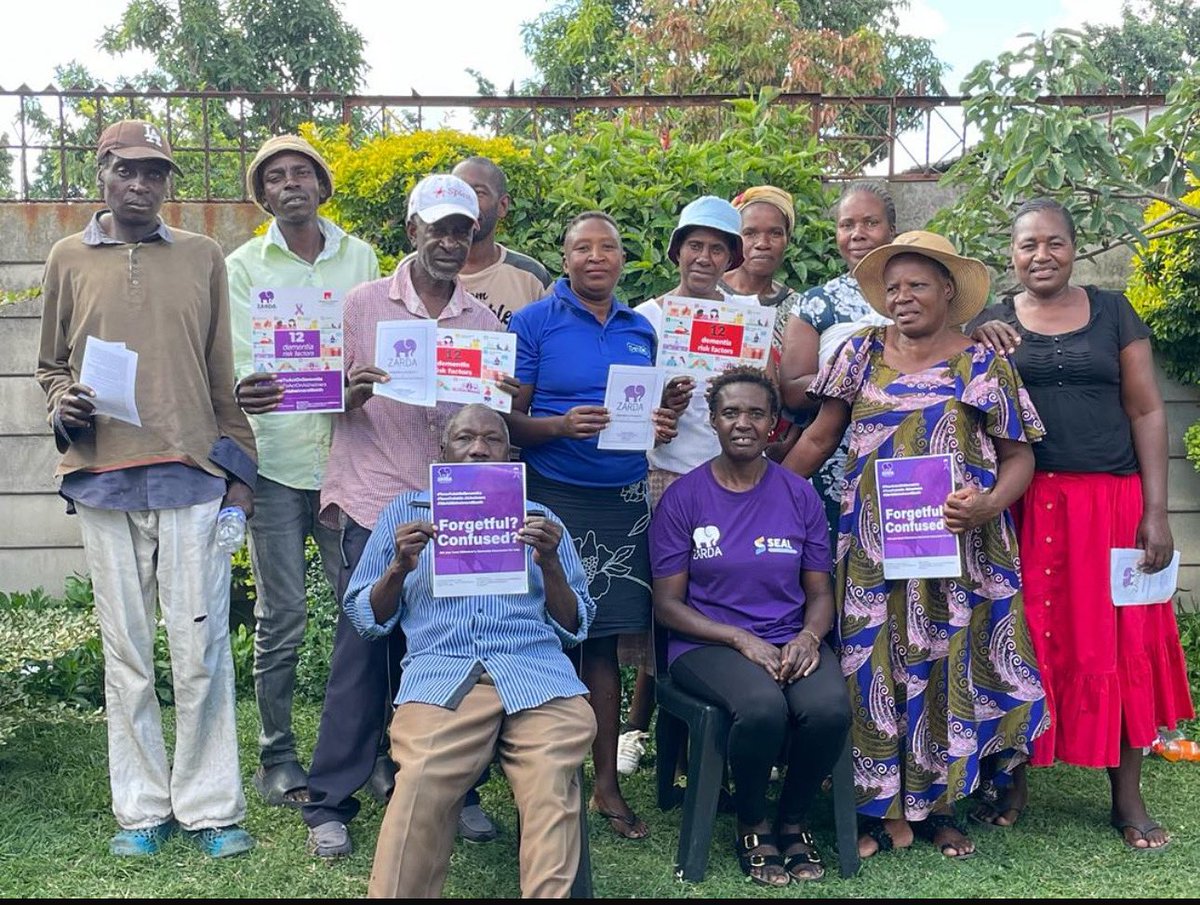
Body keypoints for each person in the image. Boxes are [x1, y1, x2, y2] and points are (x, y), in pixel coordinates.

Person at [783, 230, 1049, 860]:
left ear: (948, 291)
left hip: (960, 548)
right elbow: (819, 438)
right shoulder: (859, 351)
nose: (902, 297)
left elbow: (1020, 456)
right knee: (872, 667)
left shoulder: (984, 362)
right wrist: (760, 498)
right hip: (872, 552)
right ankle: (874, 808)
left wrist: (989, 502)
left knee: (947, 667)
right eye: (893, 287)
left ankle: (940, 806)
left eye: (917, 285)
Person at [35, 120, 258, 858]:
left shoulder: (202, 255)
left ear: (167, 182)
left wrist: (241, 473)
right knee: (125, 652)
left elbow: (221, 371)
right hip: (101, 476)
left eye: (155, 173)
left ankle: (211, 807)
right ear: (100, 172)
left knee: (201, 645)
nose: (140, 185)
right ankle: (140, 810)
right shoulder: (67, 257)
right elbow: (50, 365)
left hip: (191, 473)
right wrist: (62, 401)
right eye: (127, 170)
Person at [967, 198, 1194, 850]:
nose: (1041, 255)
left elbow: (1147, 410)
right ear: (1011, 254)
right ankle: (1013, 782)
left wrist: (1157, 511)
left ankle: (1127, 797)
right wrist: (978, 332)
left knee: (1119, 641)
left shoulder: (1114, 312)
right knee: (1020, 638)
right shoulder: (993, 323)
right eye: (1028, 245)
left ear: (1075, 248)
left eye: (1054, 243)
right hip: (1024, 503)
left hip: (1110, 505)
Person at [302, 173, 514, 858]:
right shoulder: (363, 305)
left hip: (457, 508)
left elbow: (488, 428)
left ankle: (456, 791)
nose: (449, 242)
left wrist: (503, 396)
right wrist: (348, 392)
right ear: (412, 229)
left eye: (462, 231)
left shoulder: (483, 323)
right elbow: (317, 396)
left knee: (452, 648)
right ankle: (329, 800)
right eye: (438, 228)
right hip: (373, 498)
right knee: (362, 650)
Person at [342, 404, 596, 897]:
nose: (478, 449)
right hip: (444, 675)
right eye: (464, 438)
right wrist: (398, 568)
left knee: (550, 778)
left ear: (509, 454)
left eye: (492, 439)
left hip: (536, 673)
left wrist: (549, 564)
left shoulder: (541, 520)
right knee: (421, 779)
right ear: (442, 452)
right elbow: (367, 618)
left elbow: (574, 627)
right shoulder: (405, 514)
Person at [507, 211, 678, 839]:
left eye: (609, 247)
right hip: (553, 495)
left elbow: (646, 413)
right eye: (583, 247)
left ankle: (606, 785)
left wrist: (661, 421)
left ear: (623, 259)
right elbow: (506, 419)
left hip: (621, 499)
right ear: (565, 258)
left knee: (602, 643)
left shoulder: (640, 330)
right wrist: (559, 426)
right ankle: (547, 780)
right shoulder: (534, 322)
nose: (597, 257)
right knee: (546, 637)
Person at [650, 367, 851, 886]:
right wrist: (740, 639)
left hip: (788, 637)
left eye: (756, 413)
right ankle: (753, 820)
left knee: (828, 709)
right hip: (705, 642)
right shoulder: (684, 498)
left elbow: (820, 592)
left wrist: (809, 637)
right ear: (714, 421)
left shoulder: (799, 495)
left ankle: (793, 820)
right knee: (761, 707)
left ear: (773, 424)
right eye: (731, 413)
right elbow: (667, 605)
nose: (743, 423)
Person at [226, 134, 381, 810]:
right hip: (277, 464)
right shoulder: (241, 267)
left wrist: (361, 382)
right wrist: (244, 386)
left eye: (301, 172)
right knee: (282, 615)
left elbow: (370, 343)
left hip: (351, 461)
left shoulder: (361, 258)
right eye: (275, 177)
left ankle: (371, 751)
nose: (290, 183)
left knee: (365, 611)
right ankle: (278, 754)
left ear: (322, 185)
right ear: (263, 195)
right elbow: (236, 356)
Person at [621, 195, 758, 776]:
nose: (704, 257)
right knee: (665, 598)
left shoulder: (748, 318)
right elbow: (628, 405)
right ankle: (641, 728)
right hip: (665, 473)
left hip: (730, 477)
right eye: (694, 246)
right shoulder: (646, 318)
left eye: (717, 249)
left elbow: (762, 389)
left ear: (732, 258)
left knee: (717, 594)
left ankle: (698, 731)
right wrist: (660, 411)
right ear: (677, 251)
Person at [777, 181, 897, 536]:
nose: (857, 234)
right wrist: (858, 378)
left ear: (892, 230)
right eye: (847, 225)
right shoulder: (818, 303)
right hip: (832, 463)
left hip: (907, 457)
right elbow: (793, 390)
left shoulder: (920, 294)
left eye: (870, 223)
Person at [451, 156, 552, 327]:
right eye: (458, 193)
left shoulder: (531, 277)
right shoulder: (418, 270)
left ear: (502, 205)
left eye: (478, 193)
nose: (467, 203)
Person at [719, 185, 803, 364]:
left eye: (775, 233)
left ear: (787, 240)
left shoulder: (798, 308)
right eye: (750, 233)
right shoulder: (706, 293)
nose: (762, 244)